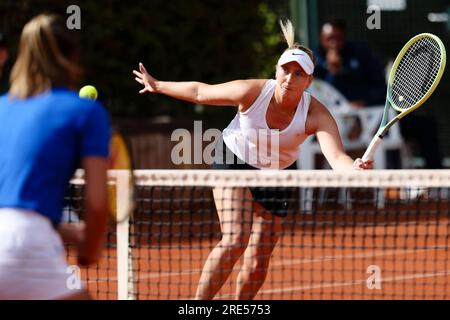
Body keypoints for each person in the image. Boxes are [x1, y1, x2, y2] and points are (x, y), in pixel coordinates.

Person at [133, 19, 372, 300]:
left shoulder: (316, 115)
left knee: (259, 259)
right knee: (235, 239)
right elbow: (201, 92)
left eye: (299, 74)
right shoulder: (251, 92)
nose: (289, 78)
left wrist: (353, 168)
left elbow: (337, 157)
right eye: (286, 70)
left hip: (277, 171)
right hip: (234, 158)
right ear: (276, 70)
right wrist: (157, 84)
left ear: (309, 81)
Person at [0, 14, 110, 299]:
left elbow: (14, 206)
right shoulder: (86, 112)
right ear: (72, 57)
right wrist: (89, 247)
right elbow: (97, 203)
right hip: (25, 246)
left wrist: (66, 232)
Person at [315, 19, 443, 168]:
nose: (334, 43)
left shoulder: (361, 53)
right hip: (340, 127)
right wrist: (334, 73)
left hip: (378, 119)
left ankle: (436, 182)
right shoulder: (315, 62)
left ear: (344, 37)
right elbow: (322, 97)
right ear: (321, 39)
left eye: (338, 38)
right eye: (329, 39)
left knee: (427, 126)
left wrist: (364, 103)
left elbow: (382, 90)